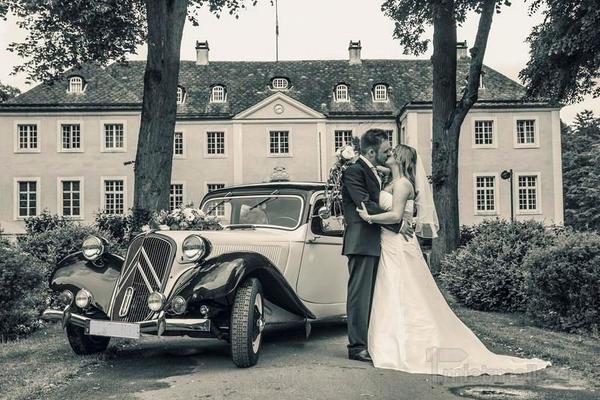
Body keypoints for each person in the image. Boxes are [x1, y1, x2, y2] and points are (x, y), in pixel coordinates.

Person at [356, 144, 551, 376]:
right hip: (389, 242)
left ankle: (404, 343)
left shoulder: (402, 185)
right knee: (390, 290)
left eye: (391, 153)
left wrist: (369, 217)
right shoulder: (390, 180)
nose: (387, 154)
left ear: (400, 159)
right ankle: (388, 341)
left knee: (402, 290)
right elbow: (369, 169)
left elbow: (397, 216)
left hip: (398, 243)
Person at [340, 129, 411, 362]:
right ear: (371, 152)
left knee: (373, 295)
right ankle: (357, 346)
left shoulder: (371, 170)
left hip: (375, 240)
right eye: (385, 150)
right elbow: (365, 206)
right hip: (361, 241)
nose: (389, 152)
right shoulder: (353, 171)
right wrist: (397, 222)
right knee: (359, 295)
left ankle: (371, 340)